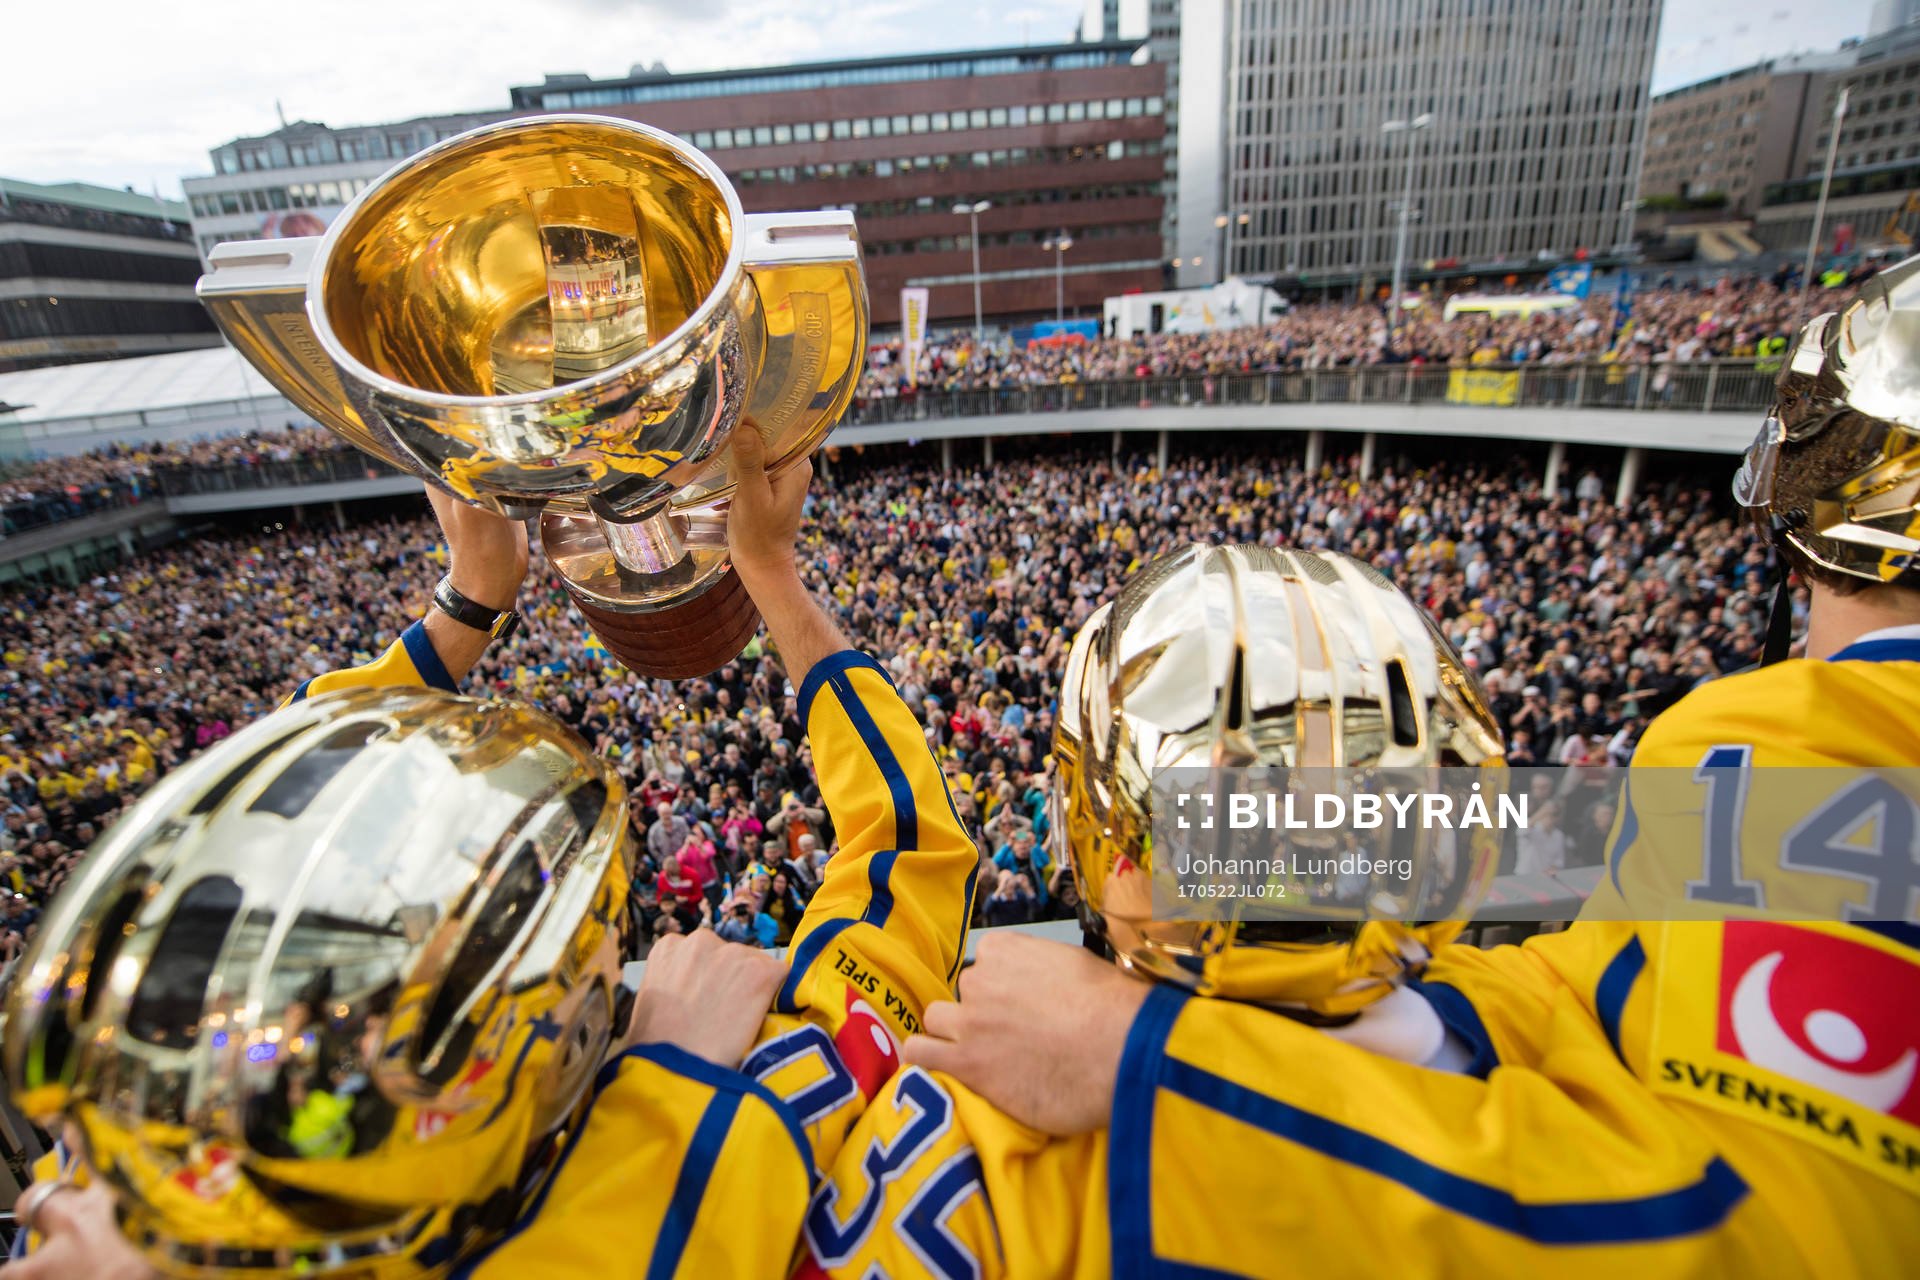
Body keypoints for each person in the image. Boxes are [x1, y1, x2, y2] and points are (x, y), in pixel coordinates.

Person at [809, 265, 1920, 1276]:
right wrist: (1367, 972)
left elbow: (1775, 1236)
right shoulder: (1804, 767)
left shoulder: (1830, 745)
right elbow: (1604, 977)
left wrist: (1158, 1056)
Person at [4, 428, 980, 1277]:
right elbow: (909, 843)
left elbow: (261, 808)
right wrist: (769, 570)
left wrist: (469, 600)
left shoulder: (120, 1146)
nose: (52, 1189)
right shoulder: (724, 1140)